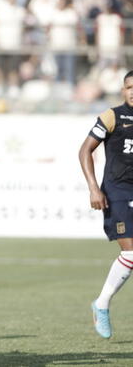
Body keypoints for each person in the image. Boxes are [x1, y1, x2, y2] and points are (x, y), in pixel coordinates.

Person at [79, 70, 133, 339]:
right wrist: (93, 188)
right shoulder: (113, 116)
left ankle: (100, 304)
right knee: (132, 254)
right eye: (128, 87)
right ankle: (101, 304)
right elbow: (85, 150)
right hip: (117, 192)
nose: (132, 91)